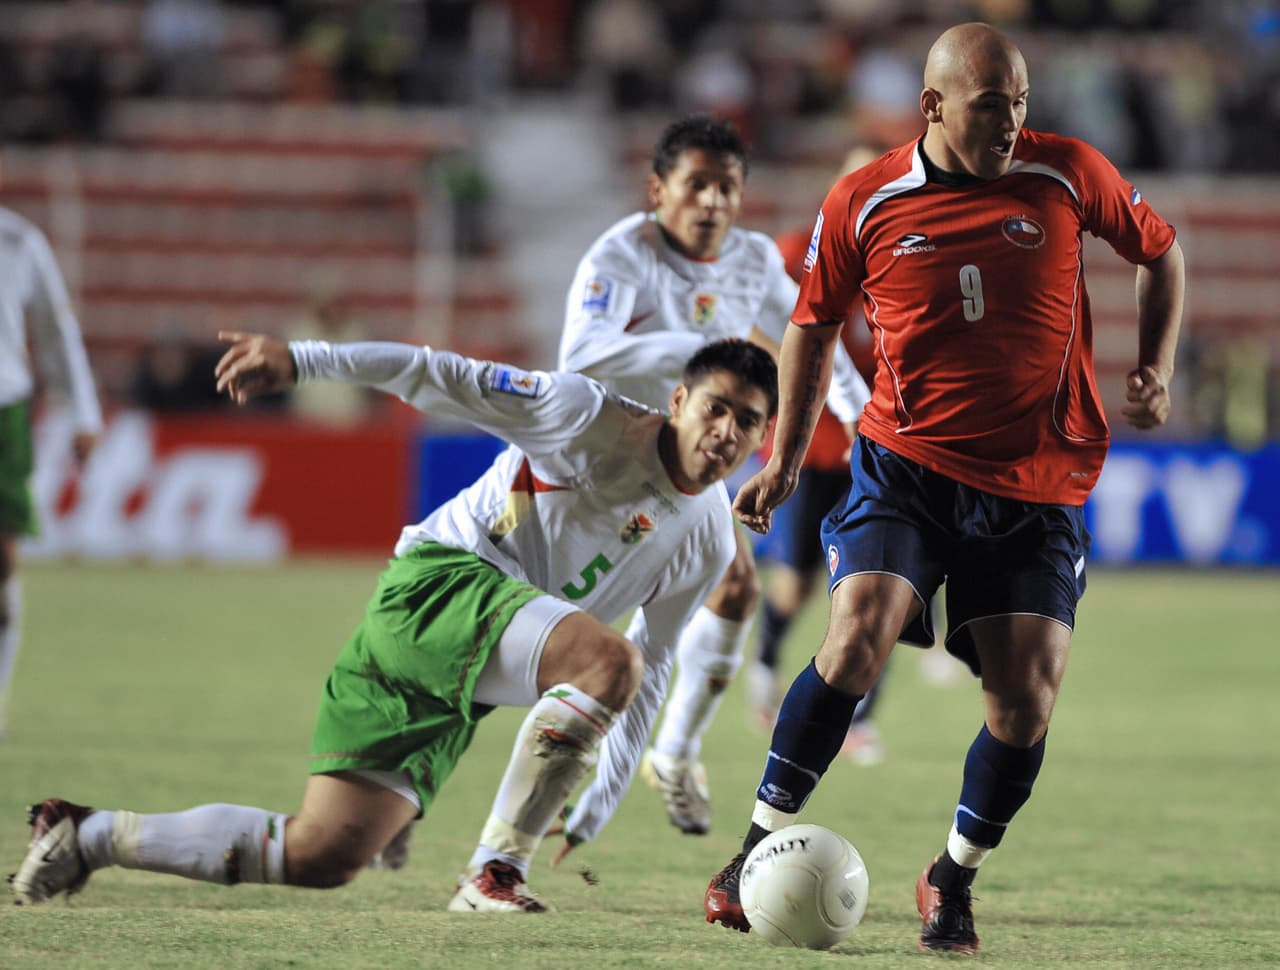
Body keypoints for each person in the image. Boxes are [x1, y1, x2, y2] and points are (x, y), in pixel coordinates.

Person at [705, 22, 1185, 954]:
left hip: (1040, 489)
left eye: (1021, 104)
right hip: (906, 471)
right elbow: (809, 326)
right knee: (856, 639)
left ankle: (952, 877)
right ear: (933, 106)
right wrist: (788, 457)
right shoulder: (864, 201)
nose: (1011, 123)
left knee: (1026, 702)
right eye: (990, 105)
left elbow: (1161, 252)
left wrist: (1156, 368)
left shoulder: (1068, 172)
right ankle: (751, 851)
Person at [11, 331, 777, 914]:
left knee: (321, 854)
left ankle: (86, 835)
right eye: (716, 408)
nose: (727, 433)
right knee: (605, 662)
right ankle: (494, 872)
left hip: (471, 666)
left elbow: (655, 662)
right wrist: (302, 361)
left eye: (748, 422)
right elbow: (436, 373)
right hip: (439, 585)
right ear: (678, 403)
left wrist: (600, 800)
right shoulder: (583, 414)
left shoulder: (709, 537)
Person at [558, 114, 869, 835]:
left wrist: (858, 416)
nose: (711, 203)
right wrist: (699, 350)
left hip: (688, 464)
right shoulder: (622, 255)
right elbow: (580, 352)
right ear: (658, 189)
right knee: (565, 627)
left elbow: (810, 339)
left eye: (726, 188)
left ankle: (674, 752)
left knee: (734, 589)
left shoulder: (755, 260)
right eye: (696, 185)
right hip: (601, 459)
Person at [0, 195, 103, 739]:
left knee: (3, 559)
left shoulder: (19, 241)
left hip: (4, 412)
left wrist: (83, 412)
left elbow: (57, 330)